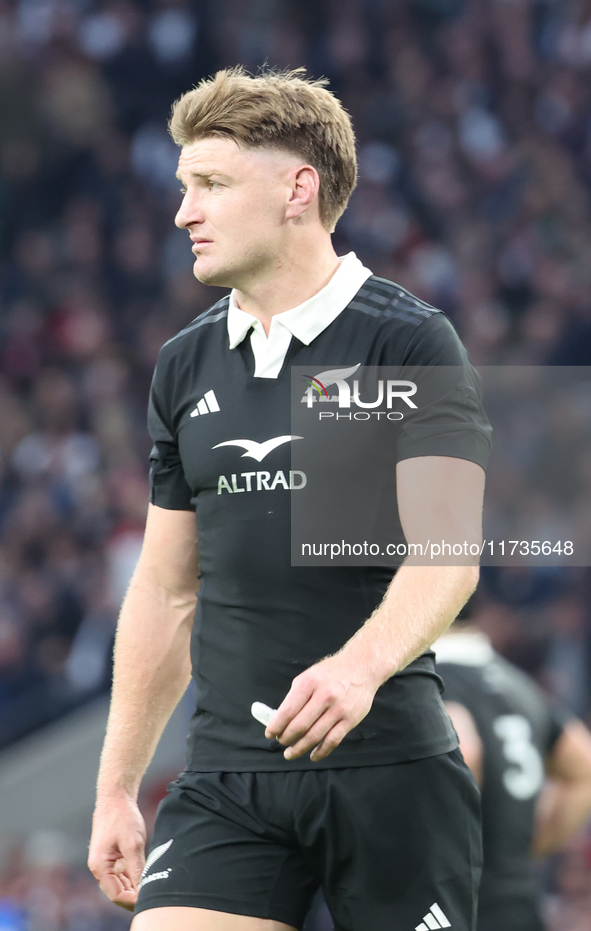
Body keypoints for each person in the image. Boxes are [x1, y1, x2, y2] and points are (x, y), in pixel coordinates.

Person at [88, 67, 492, 931]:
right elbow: (165, 588)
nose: (182, 213)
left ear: (296, 190)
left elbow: (448, 553)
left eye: (210, 185)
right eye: (183, 187)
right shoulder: (184, 364)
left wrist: (358, 667)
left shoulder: (405, 339)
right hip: (228, 779)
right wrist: (117, 786)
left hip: (390, 772)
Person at [434, 601, 591, 931]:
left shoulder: (431, 681)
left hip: (459, 908)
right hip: (520, 903)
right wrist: (524, 853)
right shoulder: (520, 686)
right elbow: (584, 769)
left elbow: (466, 753)